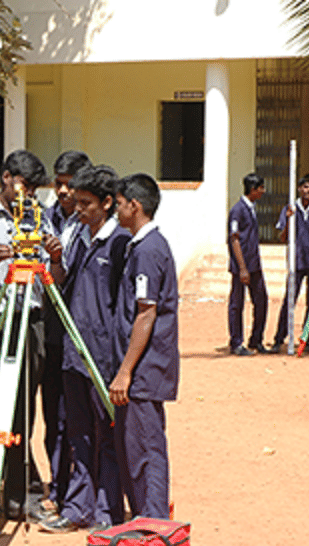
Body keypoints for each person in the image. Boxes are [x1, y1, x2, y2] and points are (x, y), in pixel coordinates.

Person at [0, 149, 62, 527]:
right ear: (4, 178)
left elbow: (55, 277)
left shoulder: (41, 217)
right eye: (23, 185)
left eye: (34, 188)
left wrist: (54, 256)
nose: (28, 195)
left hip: (31, 320)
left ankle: (21, 499)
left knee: (22, 413)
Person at [38, 164, 129, 533]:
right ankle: (78, 507)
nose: (78, 209)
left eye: (86, 203)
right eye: (76, 202)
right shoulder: (77, 235)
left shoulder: (121, 243)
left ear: (106, 203)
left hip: (104, 358)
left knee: (108, 435)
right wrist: (56, 259)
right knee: (79, 435)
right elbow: (58, 283)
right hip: (75, 354)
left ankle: (107, 511)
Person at [109, 173, 178, 520]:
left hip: (145, 371)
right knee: (132, 448)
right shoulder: (140, 246)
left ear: (134, 206)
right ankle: (142, 518)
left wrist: (125, 372)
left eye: (119, 205)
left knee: (147, 449)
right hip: (140, 369)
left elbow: (145, 314)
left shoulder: (149, 250)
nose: (117, 211)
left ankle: (154, 525)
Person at [37, 149, 92, 522]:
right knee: (53, 415)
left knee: (80, 420)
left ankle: (82, 493)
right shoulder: (51, 218)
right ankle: (58, 487)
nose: (61, 192)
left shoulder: (92, 227)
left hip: (81, 335)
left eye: (68, 186)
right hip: (52, 332)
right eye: (57, 184)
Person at [270, 174, 309, 354]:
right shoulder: (290, 208)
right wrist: (289, 219)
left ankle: (307, 338)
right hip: (296, 262)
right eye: (305, 187)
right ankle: (278, 339)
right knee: (289, 301)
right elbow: (282, 237)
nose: (308, 191)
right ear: (299, 189)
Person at [227, 173, 269, 356]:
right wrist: (242, 267)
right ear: (253, 190)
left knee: (261, 301)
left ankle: (256, 339)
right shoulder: (238, 210)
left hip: (254, 264)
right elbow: (234, 239)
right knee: (237, 304)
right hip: (242, 266)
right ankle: (236, 342)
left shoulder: (251, 208)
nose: (263, 192)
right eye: (261, 188)